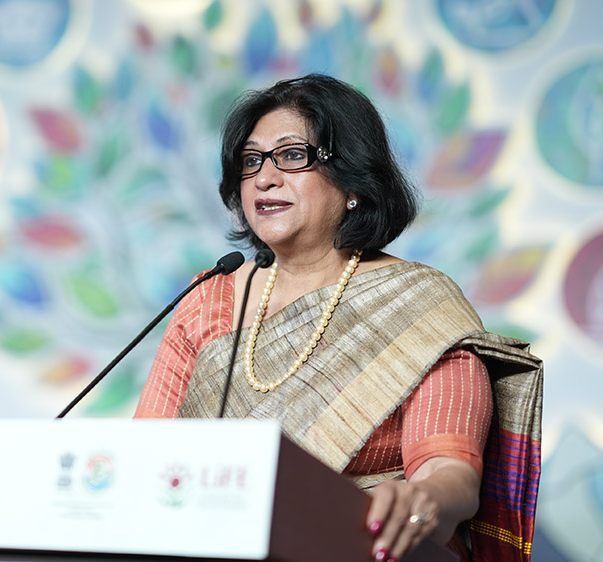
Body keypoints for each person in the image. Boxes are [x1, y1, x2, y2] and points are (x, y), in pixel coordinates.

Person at [134, 74, 542, 562]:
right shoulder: (210, 298)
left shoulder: (415, 305)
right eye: (251, 161)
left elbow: (449, 471)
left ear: (352, 180)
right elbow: (145, 457)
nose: (264, 178)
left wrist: (421, 501)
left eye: (292, 155)